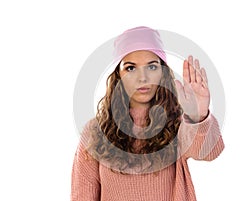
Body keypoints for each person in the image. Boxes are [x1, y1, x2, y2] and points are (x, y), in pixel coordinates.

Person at [71, 26, 224, 201]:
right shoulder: (95, 131)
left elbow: (210, 152)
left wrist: (198, 115)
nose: (142, 78)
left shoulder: (177, 124)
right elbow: (82, 195)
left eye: (151, 67)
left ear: (162, 73)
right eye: (130, 68)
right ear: (118, 75)